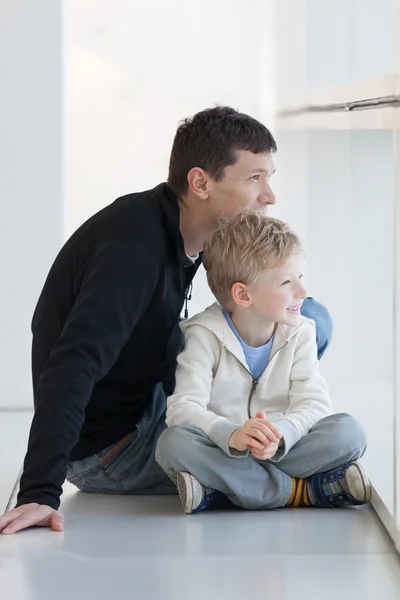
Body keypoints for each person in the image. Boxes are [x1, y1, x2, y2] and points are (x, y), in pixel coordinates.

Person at [0, 107, 332, 535]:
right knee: (319, 439)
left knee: (308, 318)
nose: (269, 195)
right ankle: (287, 484)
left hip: (150, 397)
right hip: (112, 449)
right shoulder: (133, 252)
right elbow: (72, 364)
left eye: (269, 177)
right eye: (254, 178)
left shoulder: (184, 228)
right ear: (200, 182)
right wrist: (39, 492)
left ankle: (257, 441)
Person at [155, 212, 369, 514]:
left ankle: (225, 491)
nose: (302, 292)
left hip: (280, 450)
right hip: (226, 450)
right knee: (171, 445)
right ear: (243, 294)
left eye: (301, 277)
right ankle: (299, 491)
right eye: (286, 282)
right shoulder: (203, 335)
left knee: (349, 432)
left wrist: (280, 435)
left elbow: (315, 404)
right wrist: (232, 434)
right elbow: (183, 409)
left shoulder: (300, 331)